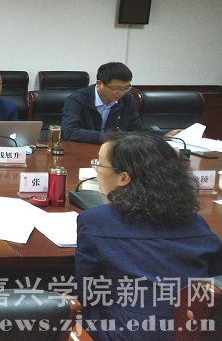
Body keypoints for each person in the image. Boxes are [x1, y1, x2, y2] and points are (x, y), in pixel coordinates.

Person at [76, 132, 222, 341]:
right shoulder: (196, 223)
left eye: (99, 163)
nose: (96, 169)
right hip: (190, 331)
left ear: (123, 178)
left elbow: (87, 293)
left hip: (123, 333)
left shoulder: (95, 221)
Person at [61, 62, 181, 144]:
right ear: (99, 84)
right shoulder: (78, 98)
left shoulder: (127, 99)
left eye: (126, 88)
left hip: (115, 153)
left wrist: (163, 135)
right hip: (83, 149)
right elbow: (70, 131)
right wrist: (109, 137)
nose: (121, 93)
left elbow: (136, 130)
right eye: (116, 88)